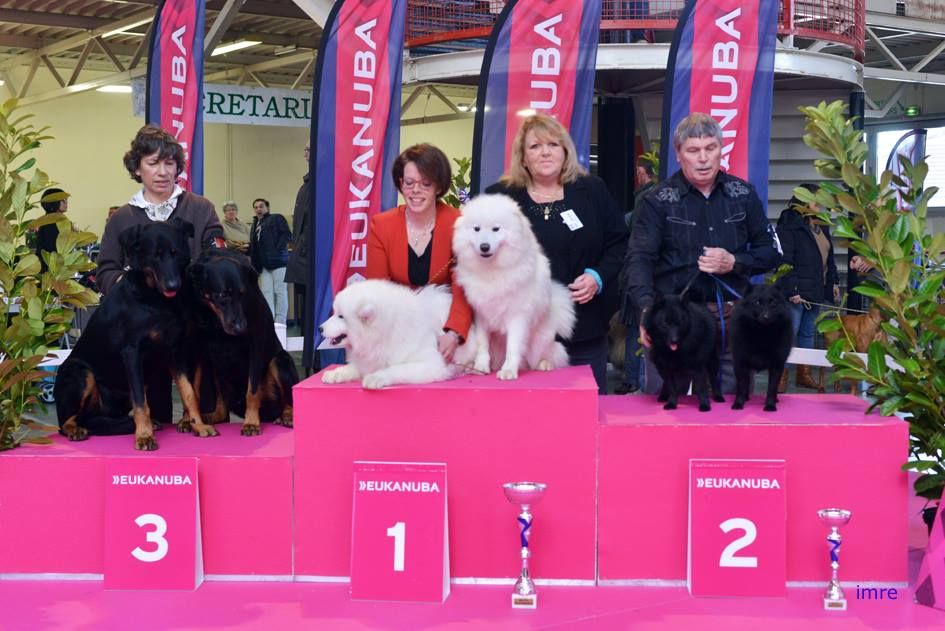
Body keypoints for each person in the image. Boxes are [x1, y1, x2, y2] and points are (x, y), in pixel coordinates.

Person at [623, 112, 781, 393]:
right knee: (668, 415)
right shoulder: (656, 200)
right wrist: (647, 312)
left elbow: (771, 252)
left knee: (733, 412)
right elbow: (639, 260)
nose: (704, 158)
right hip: (676, 322)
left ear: (721, 149)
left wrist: (734, 262)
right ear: (679, 154)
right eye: (693, 150)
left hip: (734, 323)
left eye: (711, 148)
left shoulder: (743, 194)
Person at [485, 114, 628, 393]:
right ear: (523, 157)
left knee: (587, 419)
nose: (545, 152)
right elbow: (481, 255)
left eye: (553, 144)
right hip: (522, 339)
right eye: (535, 147)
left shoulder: (593, 191)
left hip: (584, 330)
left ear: (565, 151)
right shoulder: (500, 198)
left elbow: (620, 243)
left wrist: (598, 276)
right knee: (532, 421)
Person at [96, 124, 224, 426]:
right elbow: (105, 270)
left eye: (170, 163)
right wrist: (133, 289)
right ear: (137, 168)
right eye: (153, 163)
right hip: (146, 335)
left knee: (203, 407)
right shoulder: (122, 219)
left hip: (193, 326)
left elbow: (216, 258)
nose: (163, 171)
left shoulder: (200, 209)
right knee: (158, 415)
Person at [366, 143, 473, 361]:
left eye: (425, 184)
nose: (416, 190)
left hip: (447, 325)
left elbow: (463, 285)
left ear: (438, 187)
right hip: (396, 326)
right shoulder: (381, 225)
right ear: (400, 183)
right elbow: (377, 290)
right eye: (409, 182)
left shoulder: (459, 223)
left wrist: (453, 333)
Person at [776, 183, 839, 391]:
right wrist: (792, 289)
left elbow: (829, 258)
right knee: (788, 333)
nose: (820, 203)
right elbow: (784, 260)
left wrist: (834, 282)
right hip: (796, 291)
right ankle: (780, 376)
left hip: (816, 289)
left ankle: (804, 374)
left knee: (807, 333)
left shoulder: (822, 224)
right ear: (805, 199)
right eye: (816, 199)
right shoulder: (789, 221)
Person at [249, 197, 291, 325]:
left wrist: (277, 250)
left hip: (278, 263)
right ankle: (270, 321)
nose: (258, 209)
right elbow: (255, 245)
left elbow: (287, 234)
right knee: (266, 293)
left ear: (267, 208)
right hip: (263, 265)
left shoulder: (276, 218)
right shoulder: (255, 225)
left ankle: (280, 322)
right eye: (256, 207)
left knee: (280, 292)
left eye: (261, 206)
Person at [36, 188, 70, 272]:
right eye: (63, 200)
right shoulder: (51, 224)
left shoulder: (52, 221)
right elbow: (53, 250)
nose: (66, 202)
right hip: (51, 271)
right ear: (53, 202)